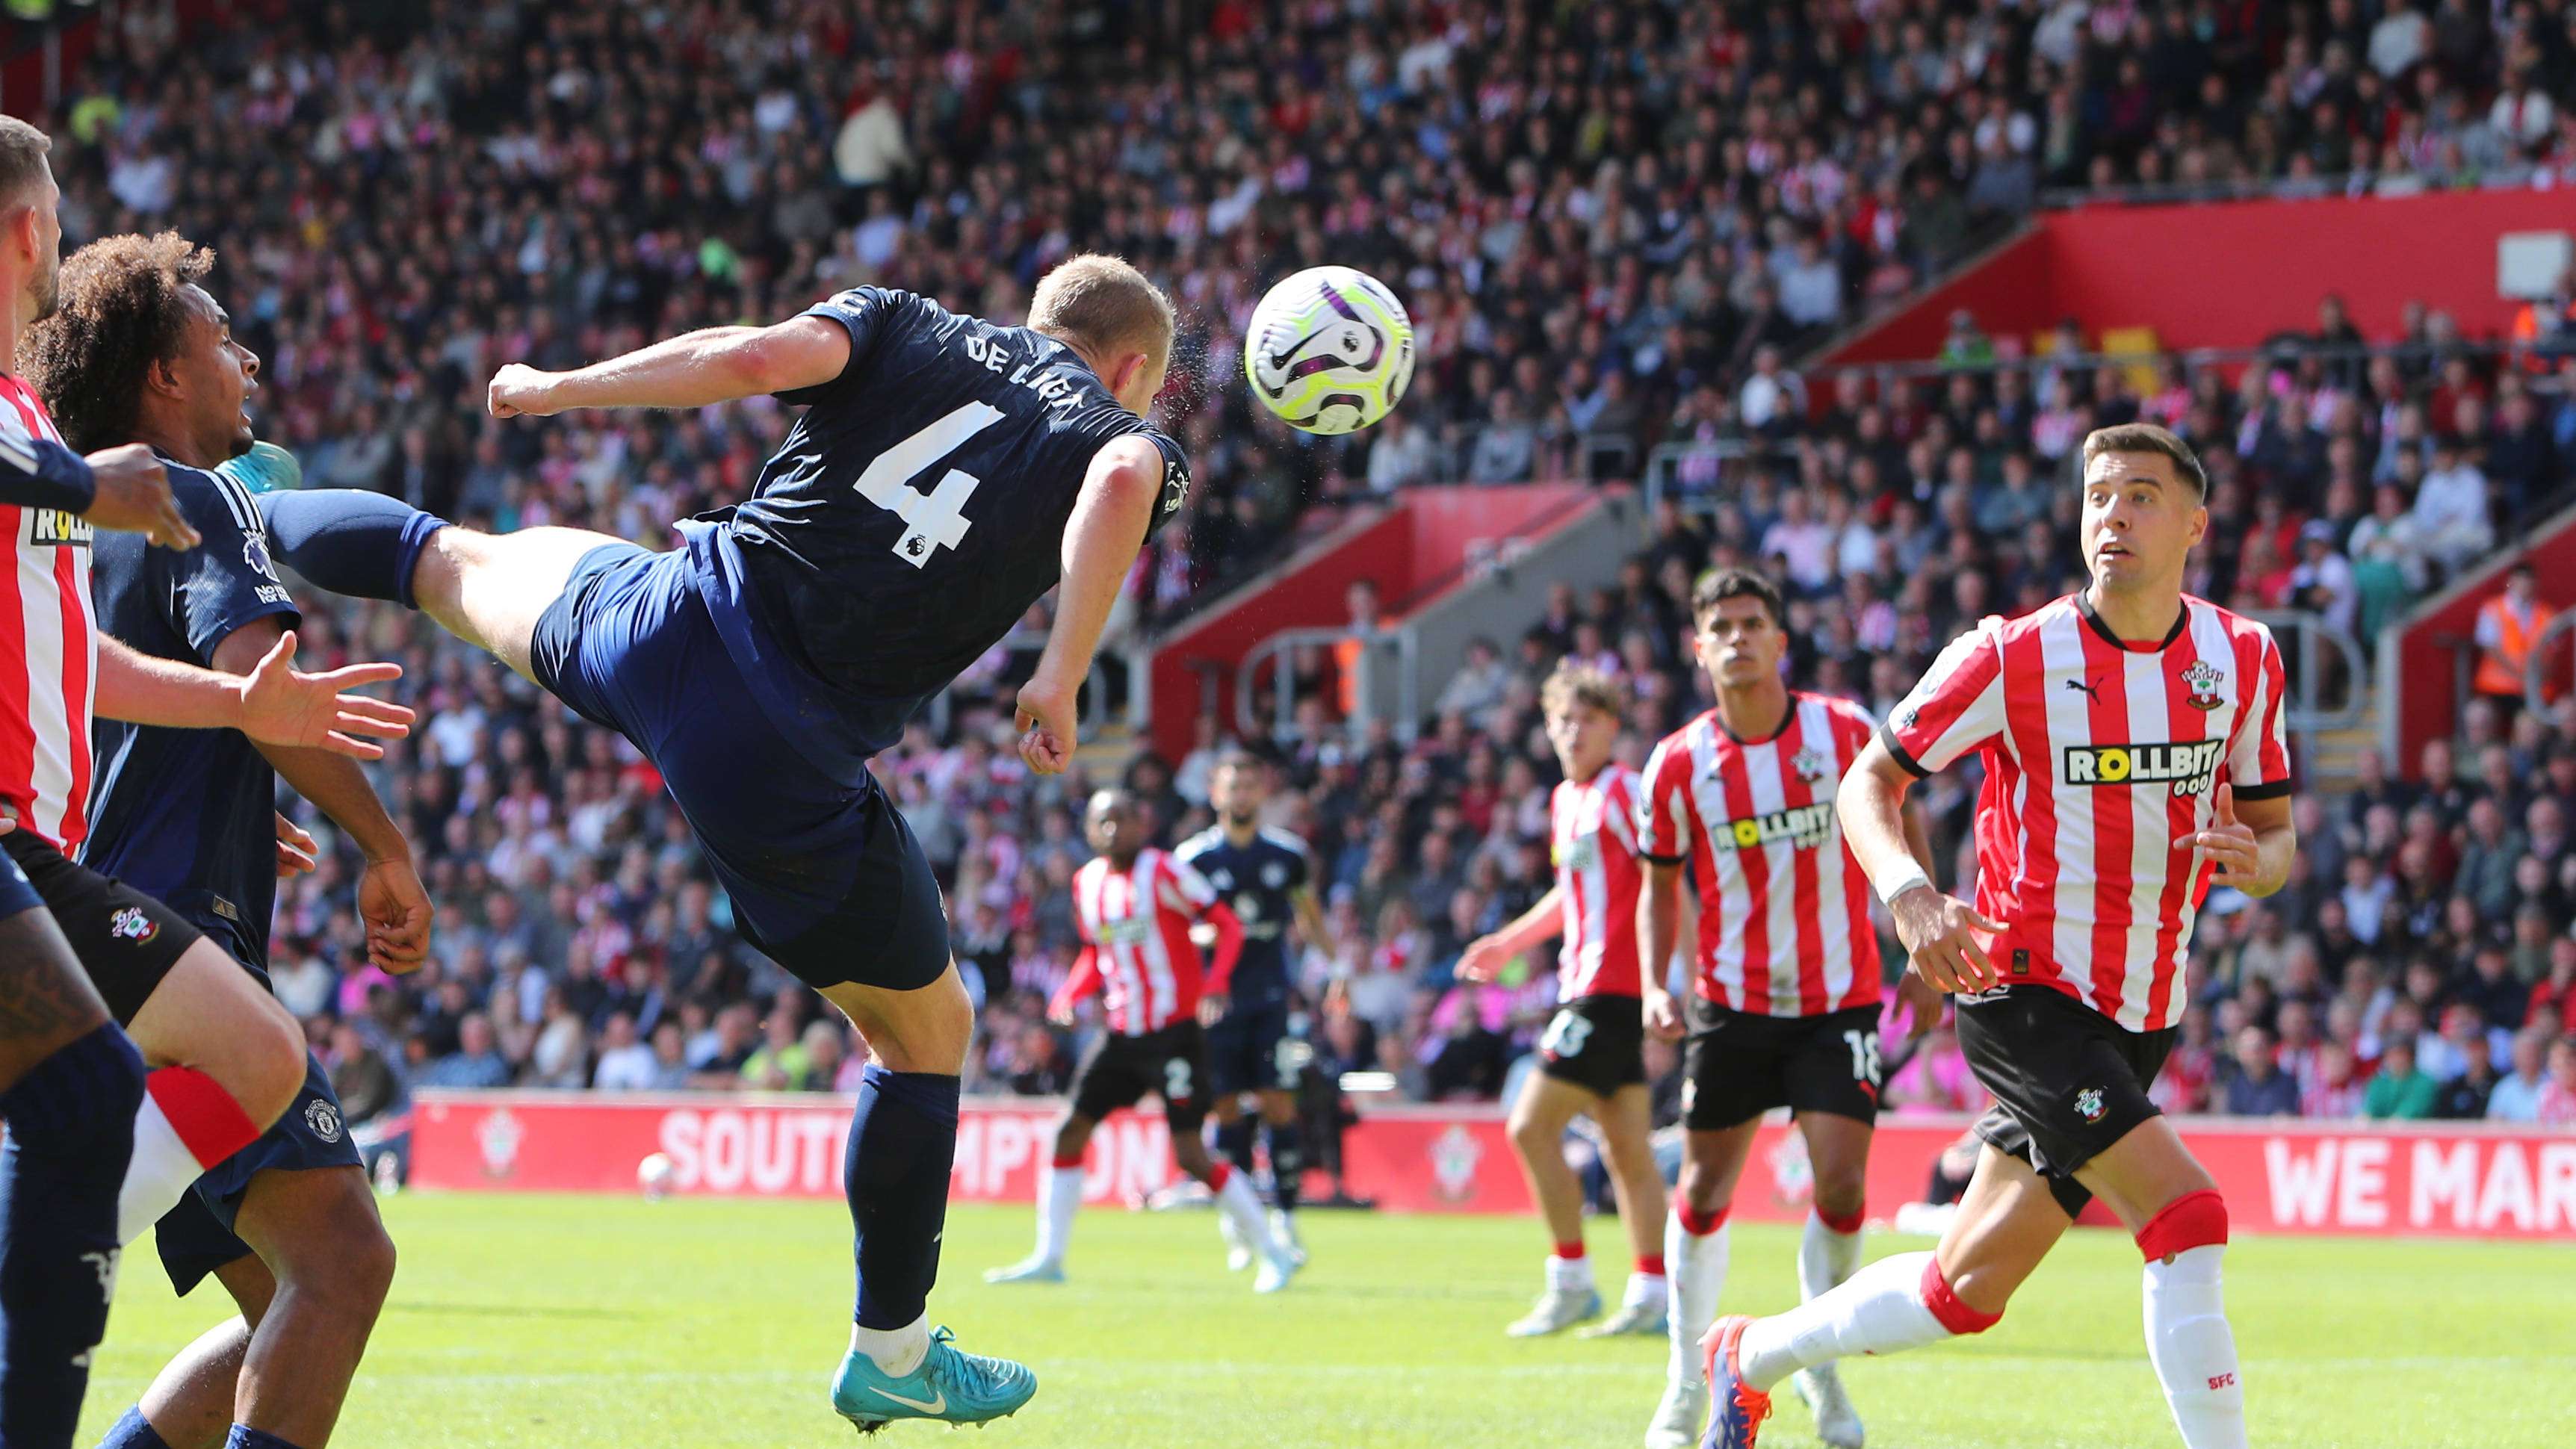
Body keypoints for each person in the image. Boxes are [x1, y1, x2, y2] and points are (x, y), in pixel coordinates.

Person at [255, 254, 1196, 1428]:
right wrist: (1061, 675)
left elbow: (748, 356)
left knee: (447, 558)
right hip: (777, 750)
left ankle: (217, 506)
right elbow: (1117, 478)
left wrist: (554, 388)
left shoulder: (912, 322)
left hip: (671, 612)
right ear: (1130, 370)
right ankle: (893, 1353)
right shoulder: (1120, 430)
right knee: (925, 1035)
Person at [1700, 423, 2297, 1449]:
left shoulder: (2241, 658)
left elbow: (2277, 835)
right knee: (2187, 1215)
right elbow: (1868, 782)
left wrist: (2257, 862)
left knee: (1962, 1289)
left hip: (2144, 1007)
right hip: (2020, 988)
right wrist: (1909, 893)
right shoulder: (2013, 654)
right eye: (2100, 495)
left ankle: (1748, 1356)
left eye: (2143, 495)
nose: (2115, 513)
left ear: (2195, 524)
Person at [0, 125, 412, 1449]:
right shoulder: (184, 494)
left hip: (85, 892)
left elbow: (93, 681)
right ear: (165, 375)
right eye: (224, 340)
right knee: (339, 1264)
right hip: (141, 924)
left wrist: (236, 757)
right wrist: (381, 847)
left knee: (289, 1293)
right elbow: (261, 669)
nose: (250, 363)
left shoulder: (64, 500)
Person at [1634, 568, 1933, 1449]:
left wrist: (1917, 920)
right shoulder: (1680, 761)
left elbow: (1901, 815)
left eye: (1751, 623)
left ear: (1778, 641)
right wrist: (1658, 981)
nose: (1736, 638)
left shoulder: (1841, 730)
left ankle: (1816, 1364)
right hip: (1730, 1004)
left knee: (1843, 1186)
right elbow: (1659, 884)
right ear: (1698, 649)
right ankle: (1684, 1385)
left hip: (1837, 1002)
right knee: (1701, 1190)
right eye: (1719, 626)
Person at [985, 789, 1297, 1291]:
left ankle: (1274, 1252)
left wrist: (1215, 983)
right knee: (1068, 1132)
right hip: (1122, 1034)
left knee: (1192, 1154)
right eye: (1103, 822)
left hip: (1175, 1034)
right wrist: (1070, 992)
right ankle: (1049, 1257)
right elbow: (1096, 953)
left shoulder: (1166, 872)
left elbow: (1227, 924)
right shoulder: (1087, 883)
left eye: (1123, 819)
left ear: (1142, 824)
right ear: (1089, 831)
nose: (1113, 830)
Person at [1455, 663, 1668, 1342]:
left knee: (1530, 1127)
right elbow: (1571, 895)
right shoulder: (1565, 801)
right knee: (1627, 1151)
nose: (1573, 733)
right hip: (1588, 986)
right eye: (1562, 721)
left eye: (1587, 720)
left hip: (1611, 990)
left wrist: (1672, 975)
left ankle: (1572, 1280)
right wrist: (1507, 940)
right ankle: (1653, 1291)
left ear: (1612, 724)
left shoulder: (1623, 792)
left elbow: (1669, 879)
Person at [1175, 752, 1328, 1268]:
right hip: (1216, 1003)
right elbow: (1178, 928)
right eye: (1231, 787)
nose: (1240, 795)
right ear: (1215, 794)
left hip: (1269, 997)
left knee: (1279, 1102)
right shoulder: (1194, 859)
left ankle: (1285, 1216)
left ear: (1261, 794)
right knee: (1226, 1109)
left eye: (1248, 786)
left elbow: (1310, 918)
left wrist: (1338, 970)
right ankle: (1241, 1219)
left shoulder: (1288, 856)